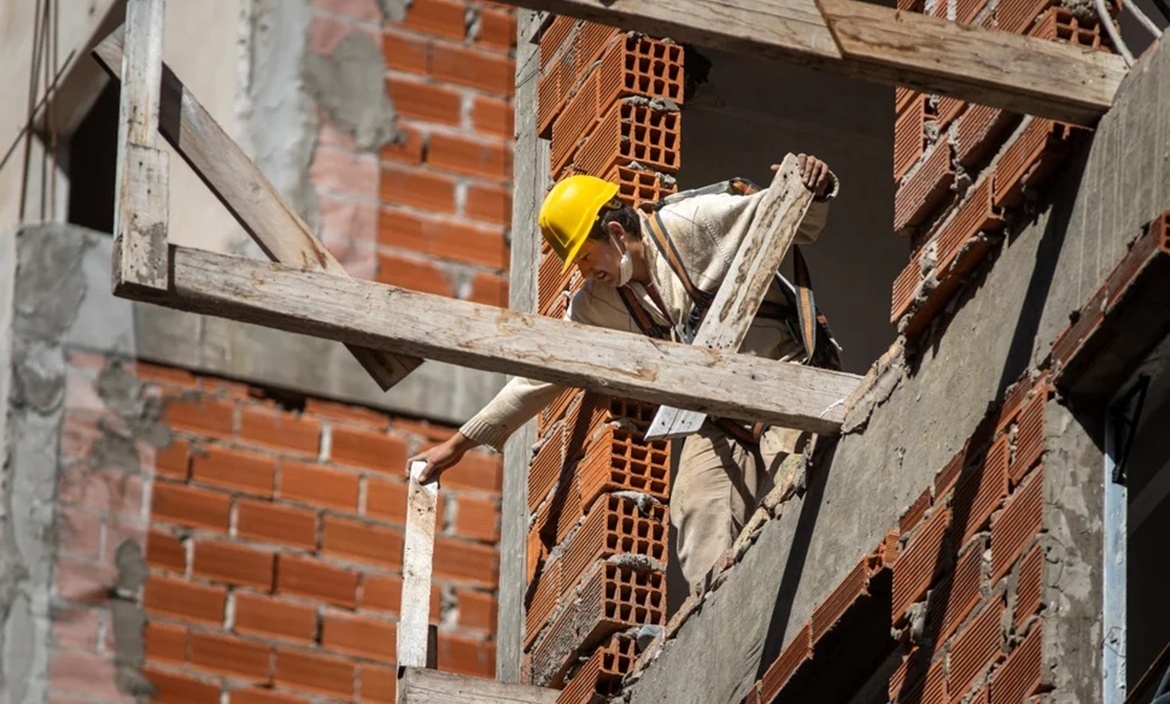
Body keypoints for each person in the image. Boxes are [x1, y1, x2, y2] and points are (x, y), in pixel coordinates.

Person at [409, 155, 838, 590]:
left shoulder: (692, 223)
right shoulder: (597, 304)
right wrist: (458, 444)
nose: (584, 272)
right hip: (720, 421)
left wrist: (814, 185)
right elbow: (541, 374)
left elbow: (794, 219)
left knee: (793, 483)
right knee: (696, 513)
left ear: (615, 233)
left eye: (586, 256)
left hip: (783, 382)